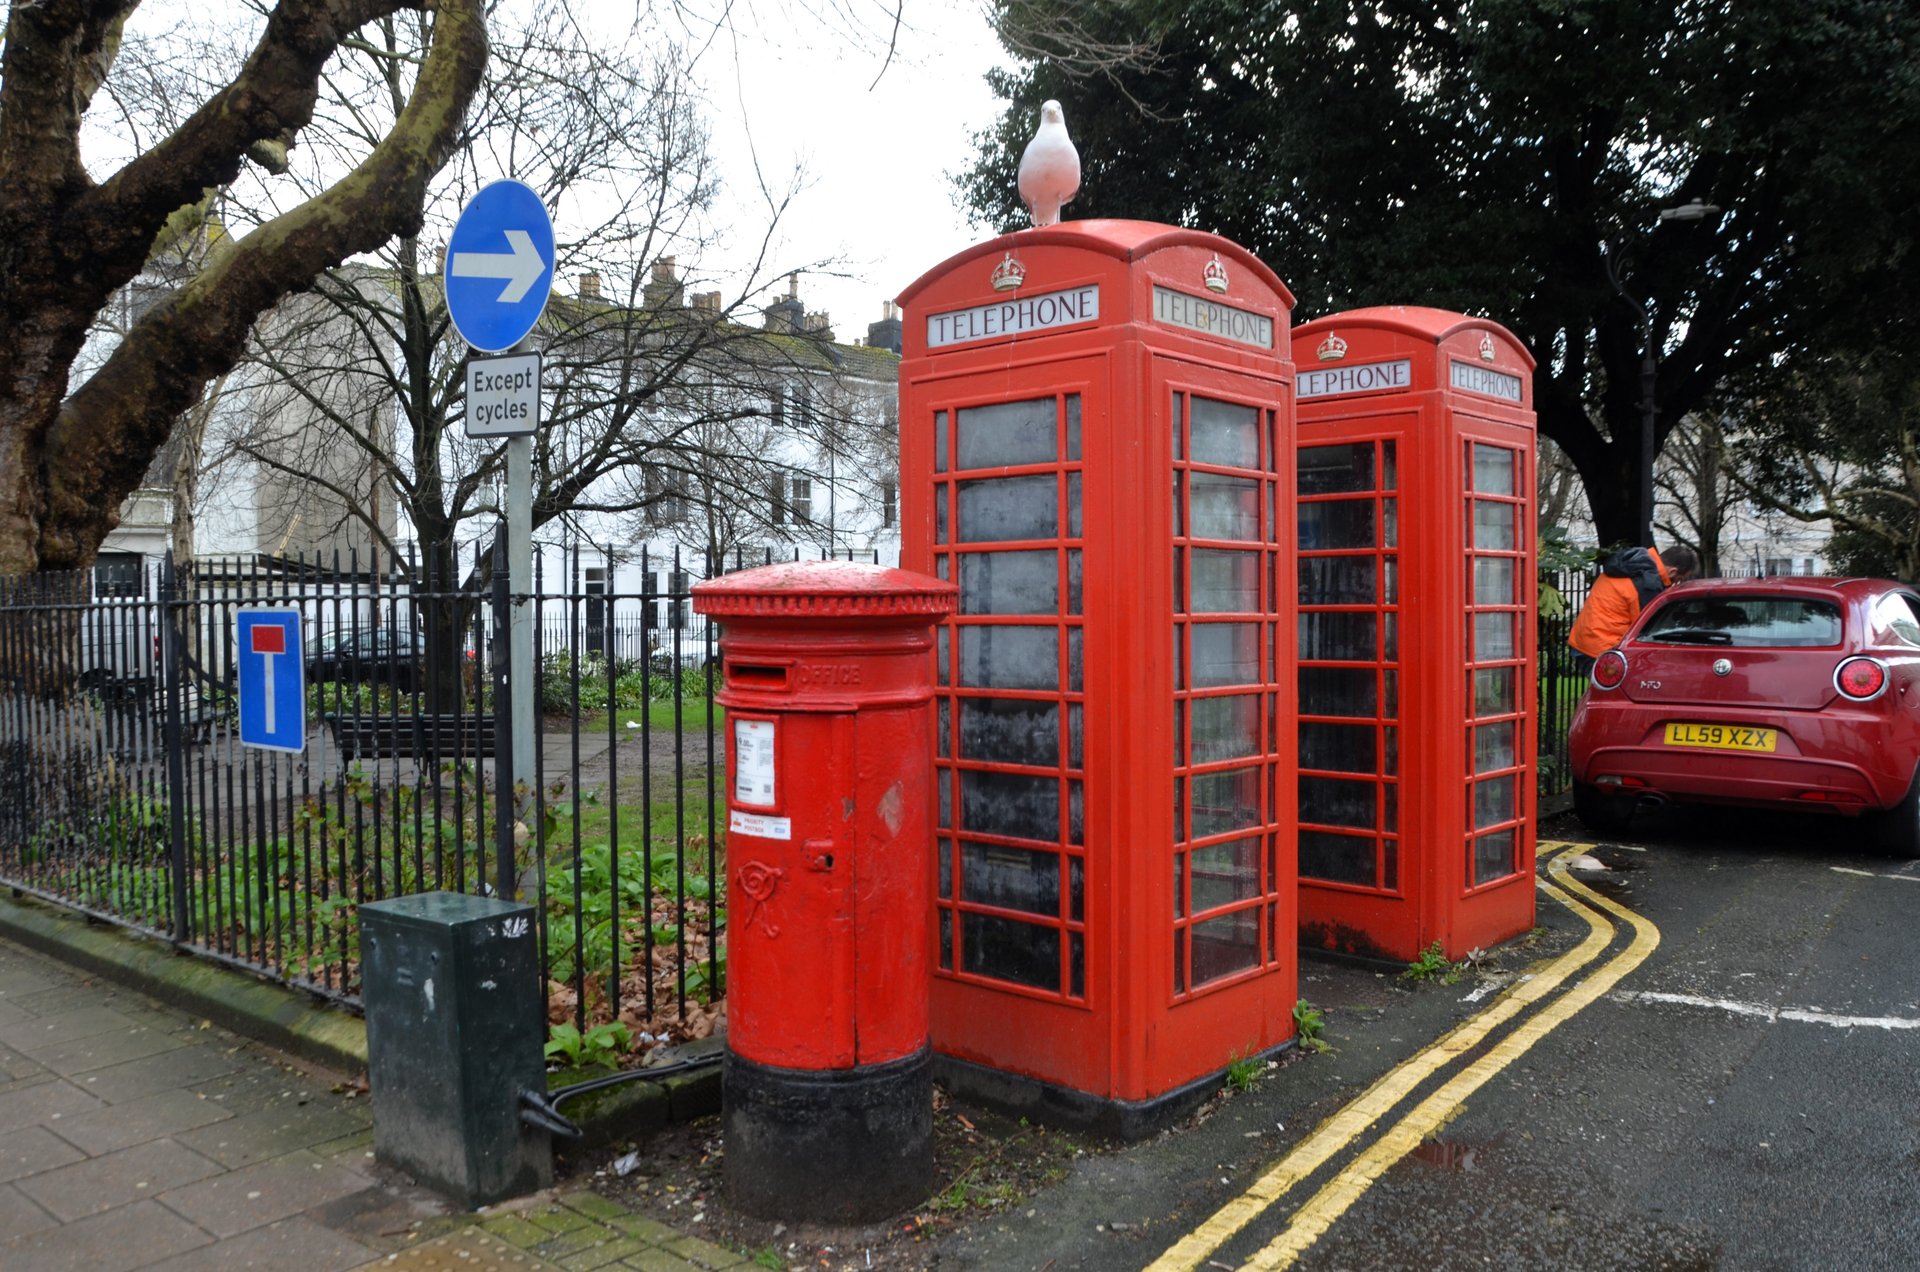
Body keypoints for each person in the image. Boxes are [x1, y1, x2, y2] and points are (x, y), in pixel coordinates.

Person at [1567, 543, 1699, 675]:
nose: (1675, 584)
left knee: (1603, 692)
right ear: (1673, 572)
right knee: (1614, 693)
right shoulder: (1648, 582)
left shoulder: (1629, 564)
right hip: (1604, 647)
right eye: (1679, 579)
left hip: (1586, 640)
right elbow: (1647, 627)